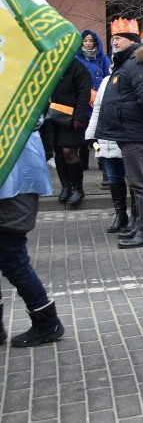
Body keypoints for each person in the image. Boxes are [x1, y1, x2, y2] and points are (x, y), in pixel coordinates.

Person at [99, 18, 143, 249]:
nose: (114, 42)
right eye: (113, 39)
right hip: (128, 133)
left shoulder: (137, 64)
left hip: (135, 134)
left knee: (142, 185)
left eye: (118, 38)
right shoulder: (126, 63)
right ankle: (141, 227)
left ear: (131, 41)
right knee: (138, 184)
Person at [0, 129, 65, 347]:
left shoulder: (15, 118)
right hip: (12, 190)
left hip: (13, 193)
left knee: (13, 261)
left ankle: (47, 322)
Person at [86, 73, 131, 233]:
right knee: (113, 176)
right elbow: (97, 108)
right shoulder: (106, 80)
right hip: (107, 135)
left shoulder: (135, 75)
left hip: (129, 135)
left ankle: (137, 217)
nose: (116, 45)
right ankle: (121, 215)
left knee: (133, 178)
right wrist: (91, 135)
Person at [44, 58, 92, 207]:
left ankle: (78, 188)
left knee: (69, 151)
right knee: (58, 151)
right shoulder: (50, 65)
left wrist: (79, 117)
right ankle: (66, 186)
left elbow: (84, 93)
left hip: (71, 117)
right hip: (52, 116)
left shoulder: (78, 67)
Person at [75, 29, 111, 170]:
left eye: (91, 40)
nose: (88, 43)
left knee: (97, 132)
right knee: (84, 132)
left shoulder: (102, 58)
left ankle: (101, 159)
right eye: (85, 40)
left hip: (99, 98)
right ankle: (83, 161)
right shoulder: (76, 58)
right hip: (82, 98)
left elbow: (108, 75)